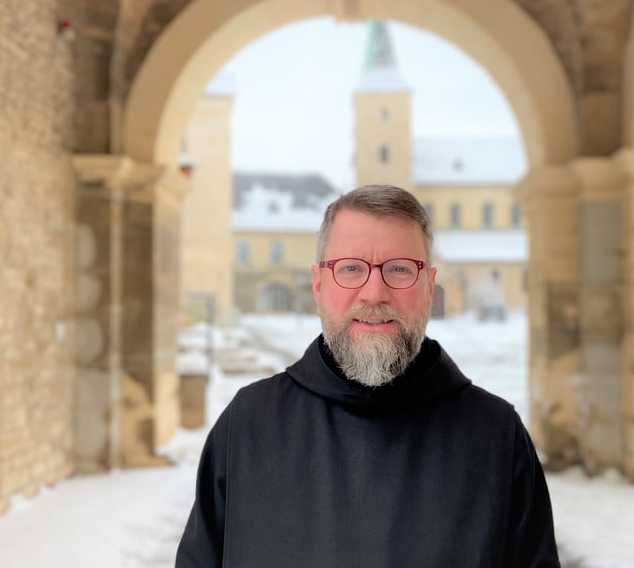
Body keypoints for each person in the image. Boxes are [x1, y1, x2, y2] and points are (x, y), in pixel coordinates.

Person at [176, 184, 560, 567]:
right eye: (350, 269)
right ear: (318, 284)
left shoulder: (496, 437)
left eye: (399, 269)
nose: (374, 293)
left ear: (430, 286)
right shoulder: (248, 425)